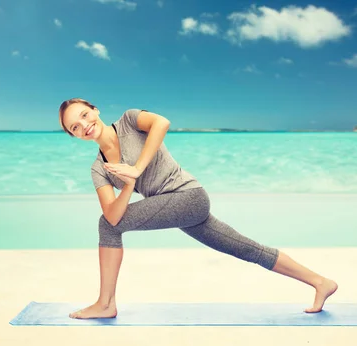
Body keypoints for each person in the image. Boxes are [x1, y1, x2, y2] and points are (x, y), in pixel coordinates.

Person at [58, 98, 338, 319]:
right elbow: (114, 214)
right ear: (75, 137)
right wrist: (129, 185)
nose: (83, 125)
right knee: (245, 248)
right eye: (74, 127)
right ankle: (320, 282)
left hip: (189, 197)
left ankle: (106, 303)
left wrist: (136, 169)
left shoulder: (130, 120)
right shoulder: (99, 169)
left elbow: (162, 123)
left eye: (84, 115)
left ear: (95, 109)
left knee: (106, 227)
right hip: (177, 208)